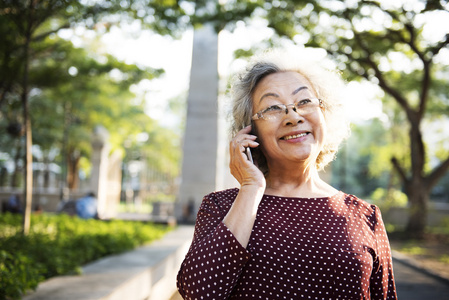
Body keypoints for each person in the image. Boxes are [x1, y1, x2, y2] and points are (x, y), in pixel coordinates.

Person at [176, 49, 397, 299]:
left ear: (324, 115)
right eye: (272, 108)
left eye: (304, 102)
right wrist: (250, 188)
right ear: (250, 131)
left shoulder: (365, 216)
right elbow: (199, 293)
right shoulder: (221, 207)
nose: (292, 116)